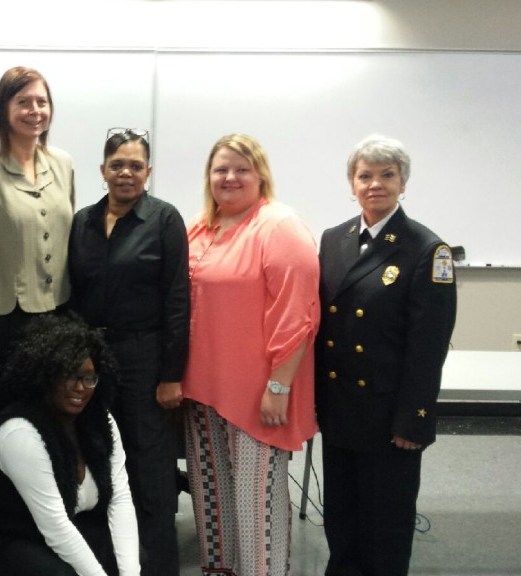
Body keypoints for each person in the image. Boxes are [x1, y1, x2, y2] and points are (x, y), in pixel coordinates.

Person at [316, 135, 457, 576]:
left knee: (386, 528)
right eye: (365, 176)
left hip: (388, 416)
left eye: (387, 175)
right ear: (351, 183)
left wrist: (414, 419)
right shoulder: (333, 238)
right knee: (340, 519)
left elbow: (428, 347)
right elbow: (325, 327)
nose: (375, 184)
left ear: (403, 183)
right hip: (341, 409)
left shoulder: (427, 250)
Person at [182, 134, 320, 576]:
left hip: (258, 393)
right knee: (211, 501)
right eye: (221, 169)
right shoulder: (200, 227)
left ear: (261, 174)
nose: (230, 177)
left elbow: (298, 314)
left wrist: (279, 385)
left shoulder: (279, 226)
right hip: (202, 390)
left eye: (242, 169)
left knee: (253, 506)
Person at [68, 127, 189, 575]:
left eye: (136, 165)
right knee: (98, 457)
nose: (126, 173)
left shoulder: (164, 220)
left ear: (148, 172)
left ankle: (155, 566)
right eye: (117, 164)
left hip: (144, 357)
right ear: (102, 170)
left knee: (149, 467)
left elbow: (178, 299)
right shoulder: (81, 221)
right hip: (90, 360)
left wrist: (172, 374)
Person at [0, 66, 75, 482]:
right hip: (0, 324)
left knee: (42, 429)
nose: (34, 110)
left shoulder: (63, 165)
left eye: (41, 101)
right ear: (3, 109)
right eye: (23, 101)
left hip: (53, 319)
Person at [0, 313, 140, 576]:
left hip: (64, 525)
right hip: (3, 537)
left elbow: (120, 498)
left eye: (89, 378)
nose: (80, 388)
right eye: (69, 376)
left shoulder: (100, 420)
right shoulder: (20, 432)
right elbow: (56, 527)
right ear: (47, 377)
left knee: (129, 556)